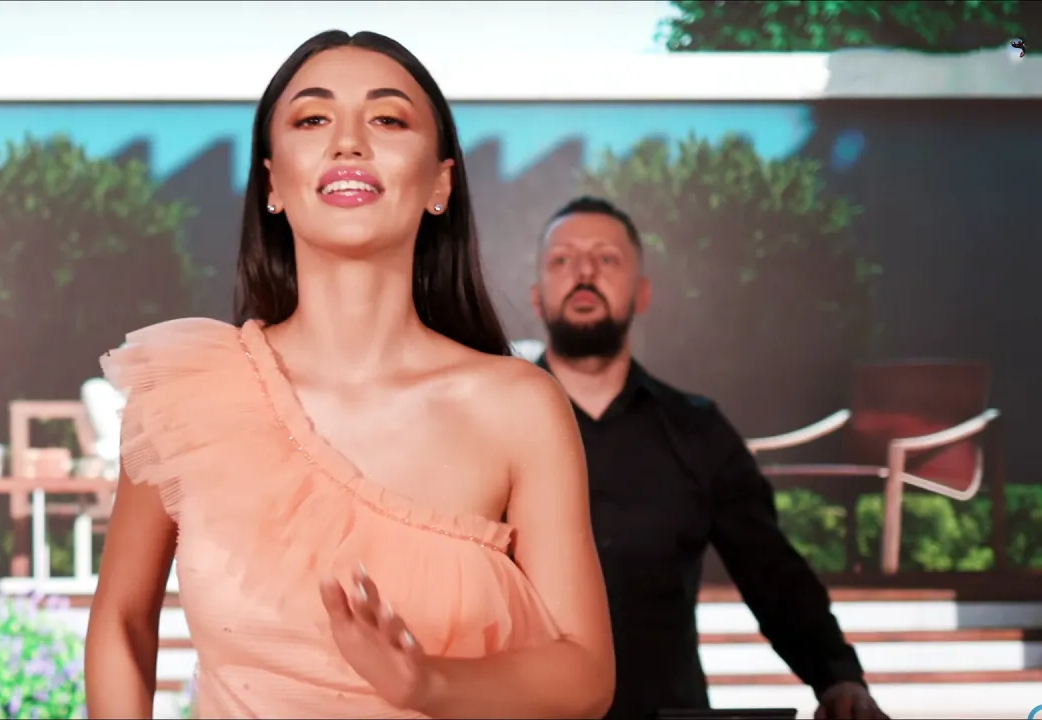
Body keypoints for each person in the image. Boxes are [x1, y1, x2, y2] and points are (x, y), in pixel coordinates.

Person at [84, 31, 615, 720]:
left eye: (387, 119)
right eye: (313, 119)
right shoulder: (190, 390)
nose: (348, 142)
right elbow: (122, 622)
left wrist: (426, 683)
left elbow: (585, 675)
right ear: (272, 183)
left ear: (441, 184)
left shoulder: (519, 406)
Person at [530, 196, 889, 720]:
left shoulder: (697, 430)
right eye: (562, 260)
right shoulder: (492, 423)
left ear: (643, 292)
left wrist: (837, 678)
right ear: (536, 296)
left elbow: (771, 570)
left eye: (607, 258)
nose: (584, 273)